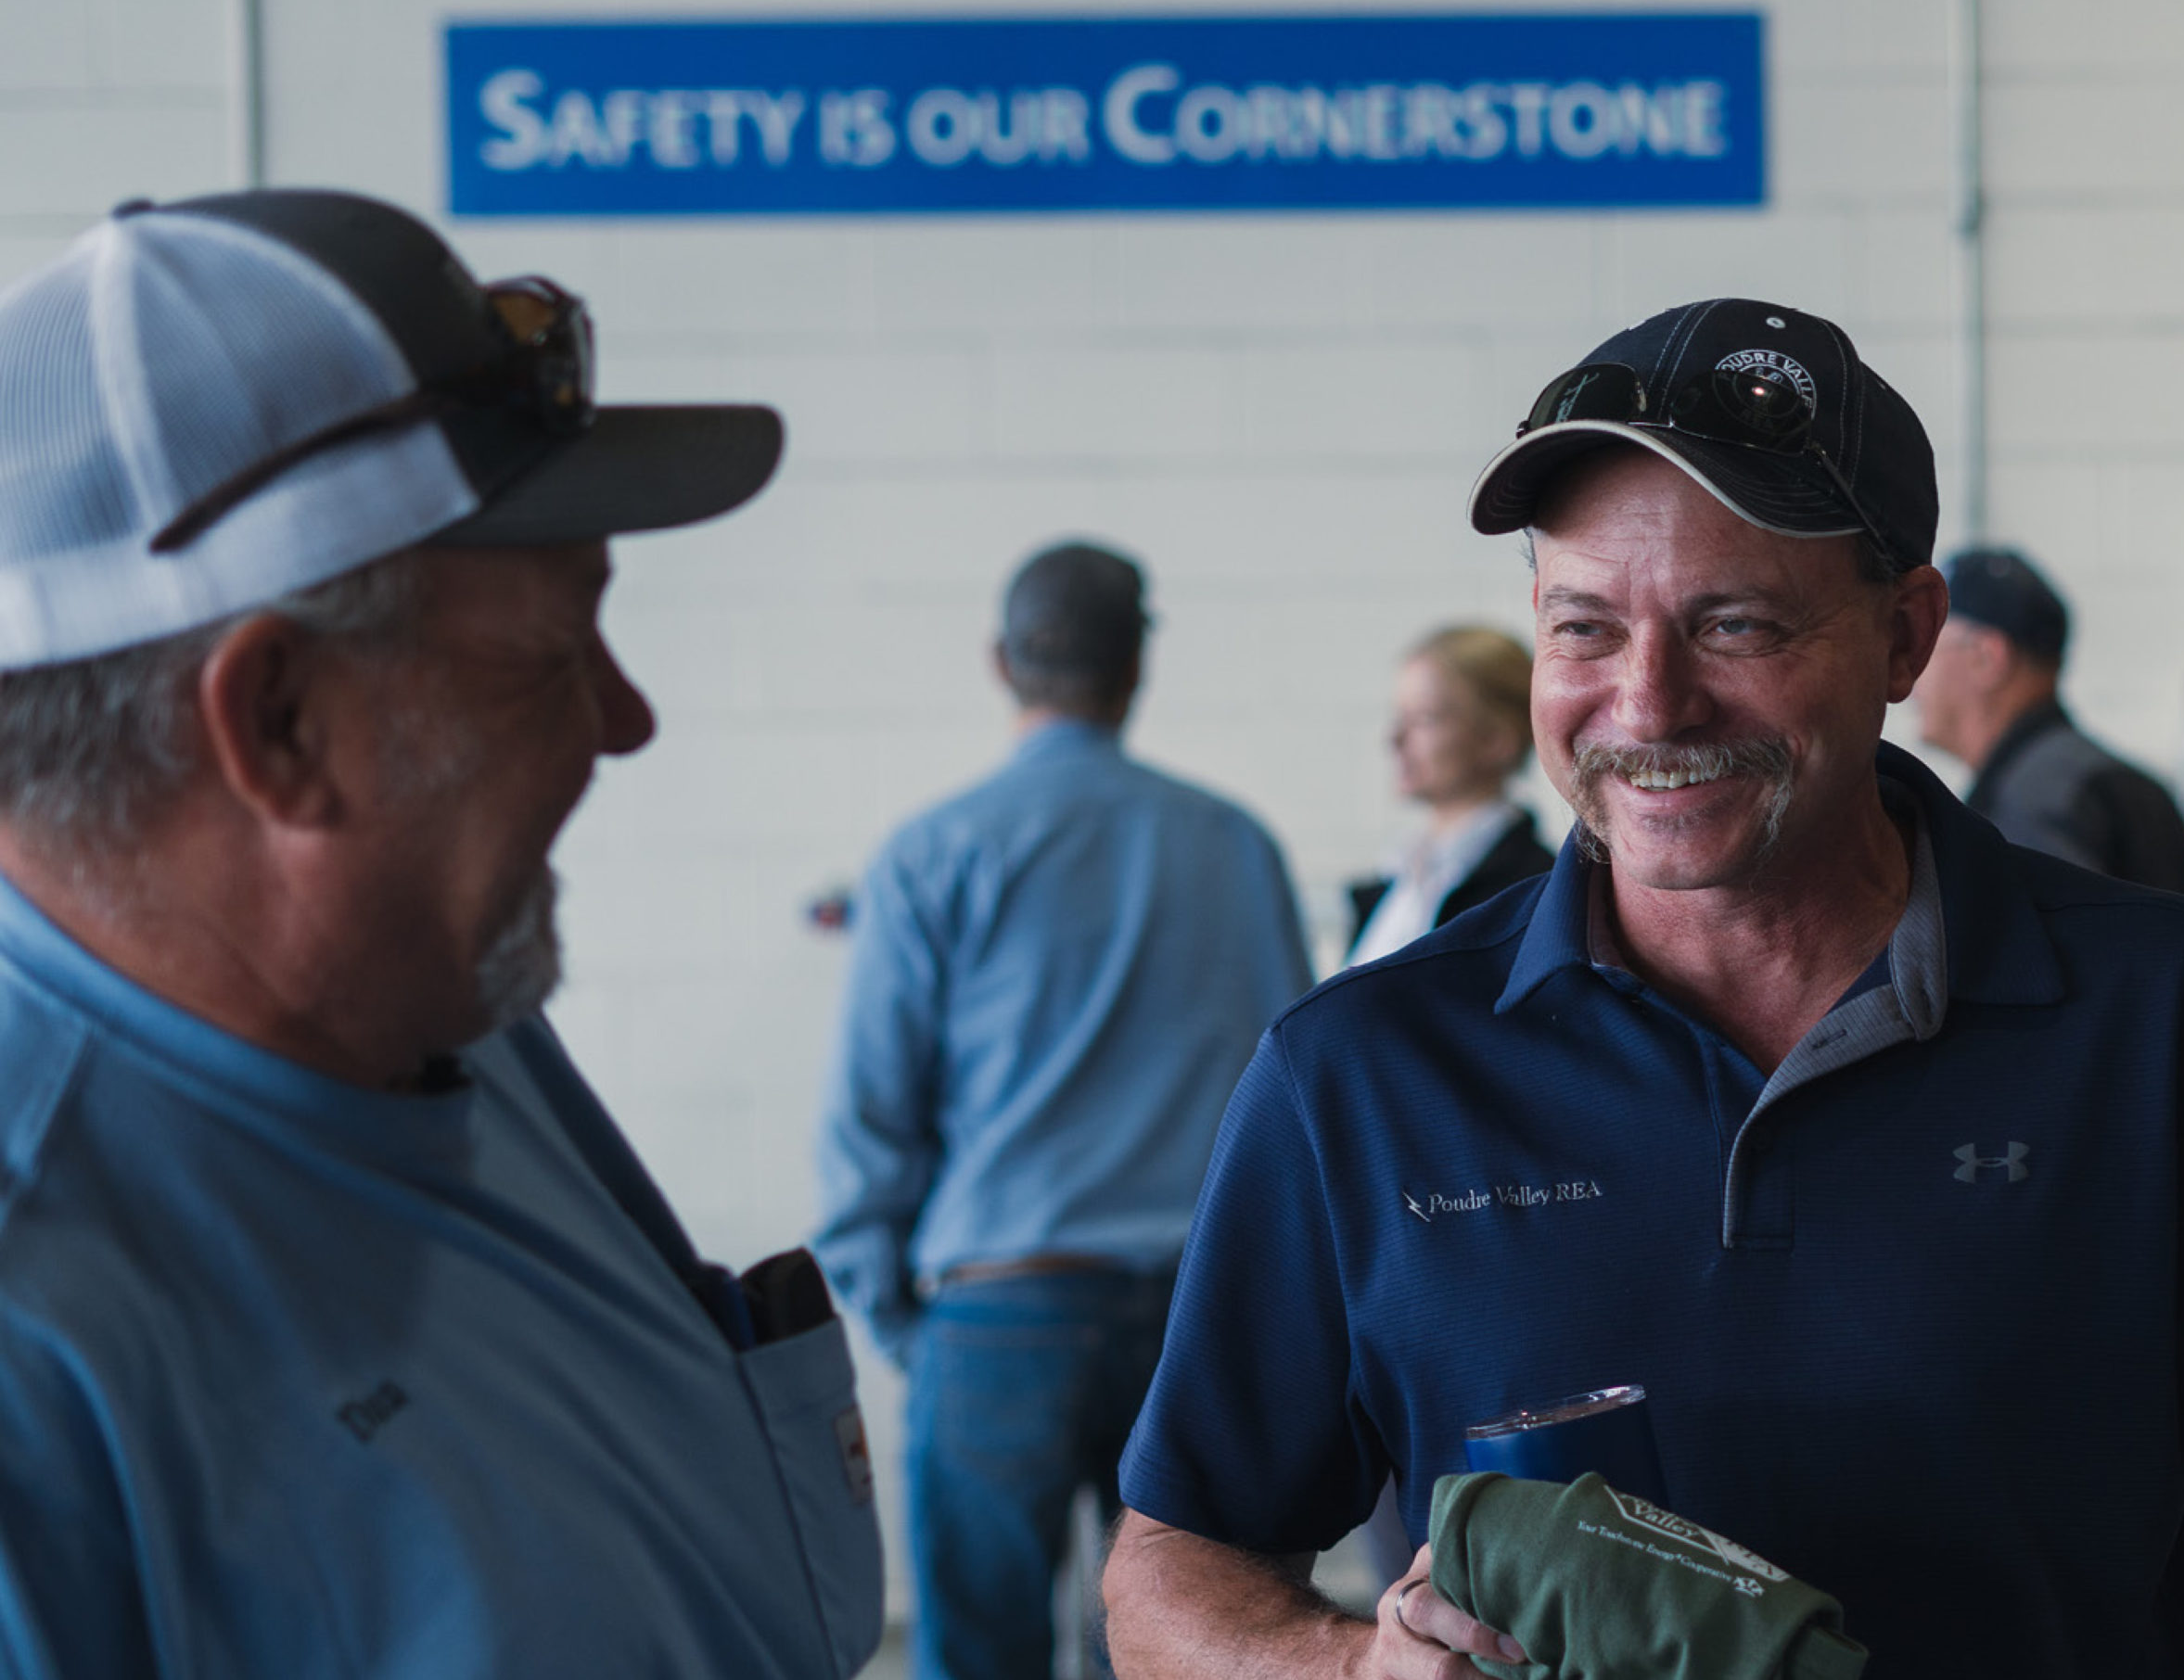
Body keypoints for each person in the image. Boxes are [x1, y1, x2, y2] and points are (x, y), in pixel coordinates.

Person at [1103, 299, 2184, 1678]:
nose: (1648, 706)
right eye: (1584, 628)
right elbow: (1171, 1573)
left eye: (1735, 624)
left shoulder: (2166, 1019)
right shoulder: (1362, 1072)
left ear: (1905, 636)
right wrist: (1350, 1667)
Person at [0, 190, 882, 1677]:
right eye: (546, 655)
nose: (626, 718)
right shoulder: (43, 1329)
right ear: (279, 723)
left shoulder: (443, 1012)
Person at [812, 541, 1313, 1680]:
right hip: (1200, 1317)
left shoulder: (932, 851)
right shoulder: (1234, 845)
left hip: (998, 1311)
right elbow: (1301, 1107)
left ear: (1000, 662)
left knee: (978, 1651)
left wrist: (910, 1325)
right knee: (1166, 1647)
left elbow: (868, 1116)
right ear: (1136, 665)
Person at [1913, 545, 2184, 899]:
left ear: (1984, 658)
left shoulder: (2035, 802)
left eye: (1926, 644)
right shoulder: (2107, 780)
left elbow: (2040, 951)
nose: (1910, 672)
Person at [1345, 626, 1559, 967]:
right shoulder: (1398, 878)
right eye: (1400, 716)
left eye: (1424, 719)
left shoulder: (1535, 893)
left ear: (1496, 740)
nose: (1395, 738)